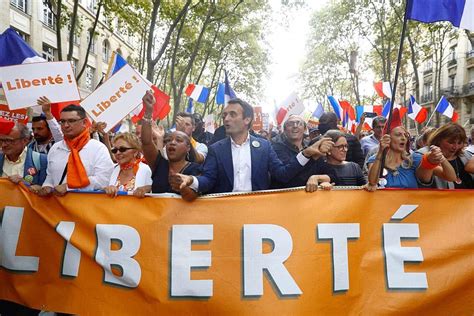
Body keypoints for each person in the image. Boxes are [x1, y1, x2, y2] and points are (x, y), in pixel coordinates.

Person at [170, 97, 333, 195]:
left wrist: (306, 154)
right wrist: (192, 180)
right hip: (223, 213)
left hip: (256, 214)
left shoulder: (264, 147)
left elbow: (282, 175)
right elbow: (209, 180)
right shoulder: (216, 148)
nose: (226, 119)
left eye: (232, 114)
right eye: (225, 115)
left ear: (247, 119)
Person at [34, 105, 114, 196]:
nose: (66, 125)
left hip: (85, 207)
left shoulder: (98, 148)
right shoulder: (55, 148)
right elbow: (50, 177)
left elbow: (103, 180)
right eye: (62, 121)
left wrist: (69, 187)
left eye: (71, 121)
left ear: (84, 122)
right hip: (56, 207)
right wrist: (46, 186)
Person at [141, 91, 200, 201]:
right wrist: (148, 111)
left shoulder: (195, 170)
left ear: (188, 148)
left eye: (178, 140)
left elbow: (193, 197)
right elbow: (146, 142)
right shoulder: (159, 164)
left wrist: (183, 188)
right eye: (169, 140)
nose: (172, 143)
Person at [367, 125, 456, 189]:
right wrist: (380, 152)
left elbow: (450, 177)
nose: (403, 138)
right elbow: (372, 181)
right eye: (398, 135)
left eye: (405, 135)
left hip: (409, 210)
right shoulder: (376, 159)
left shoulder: (414, 159)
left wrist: (441, 158)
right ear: (387, 138)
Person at [271, 115, 330, 188]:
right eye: (290, 124)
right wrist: (306, 154)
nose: (295, 126)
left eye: (299, 123)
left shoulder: (312, 146)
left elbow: (332, 175)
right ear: (285, 130)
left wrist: (319, 178)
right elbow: (284, 177)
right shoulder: (276, 148)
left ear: (305, 129)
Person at [418, 123, 474, 189]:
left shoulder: (466, 155)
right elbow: (451, 177)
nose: (455, 147)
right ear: (439, 139)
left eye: (459, 143)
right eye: (451, 142)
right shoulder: (424, 155)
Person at [103, 132, 152, 197]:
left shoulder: (146, 170)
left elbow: (156, 192)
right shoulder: (113, 169)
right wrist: (106, 189)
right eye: (114, 150)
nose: (117, 153)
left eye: (122, 149)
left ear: (135, 152)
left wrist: (147, 188)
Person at [0, 122, 47, 186]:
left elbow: (45, 190)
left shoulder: (41, 160)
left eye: (9, 141)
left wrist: (24, 183)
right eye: (1, 140)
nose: (3, 145)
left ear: (25, 141)